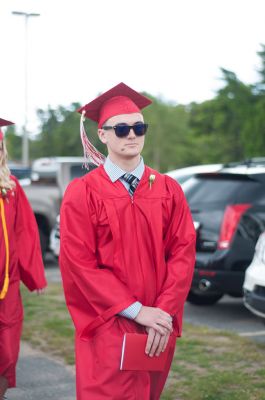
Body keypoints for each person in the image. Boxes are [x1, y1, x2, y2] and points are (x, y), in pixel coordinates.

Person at [59, 83, 196, 400]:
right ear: (102, 135)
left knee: (148, 393)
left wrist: (162, 313)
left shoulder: (168, 189)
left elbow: (182, 254)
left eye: (138, 126)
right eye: (121, 128)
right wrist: (135, 311)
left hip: (157, 327)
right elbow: (80, 264)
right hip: (109, 322)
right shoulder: (83, 192)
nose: (131, 134)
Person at [0, 118, 47, 400]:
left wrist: (34, 275)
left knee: (5, 349)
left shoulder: (11, 187)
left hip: (7, 286)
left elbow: (25, 233)